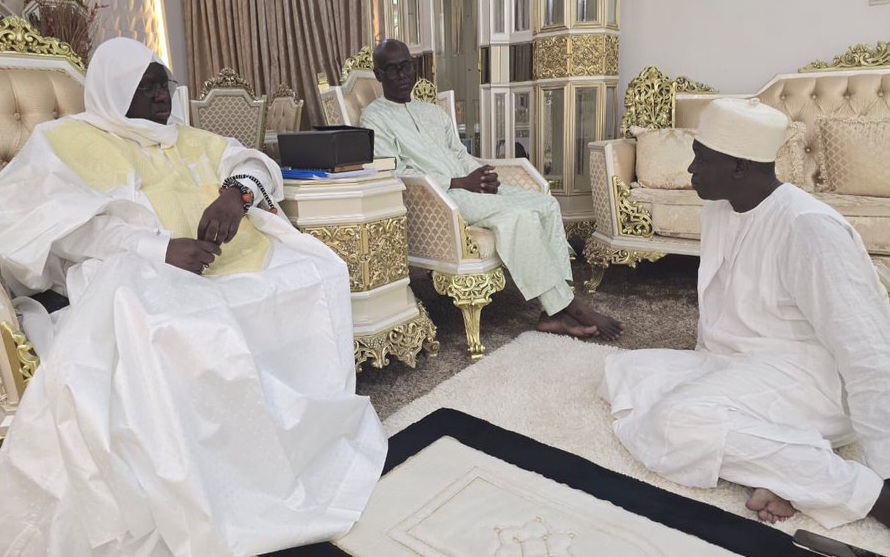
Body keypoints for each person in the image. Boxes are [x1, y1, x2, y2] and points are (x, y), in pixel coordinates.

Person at [0, 38, 387, 556]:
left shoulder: (187, 136)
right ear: (114, 91)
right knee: (186, 327)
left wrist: (236, 196)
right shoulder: (64, 140)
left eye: (164, 84)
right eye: (147, 87)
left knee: (319, 270)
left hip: (230, 259)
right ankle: (231, 470)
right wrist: (158, 249)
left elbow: (256, 163)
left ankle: (303, 436)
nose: (162, 96)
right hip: (136, 268)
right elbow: (56, 226)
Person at [600, 98, 890, 530]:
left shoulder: (810, 227)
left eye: (701, 159)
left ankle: (865, 494)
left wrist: (885, 471)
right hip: (739, 362)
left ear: (739, 167)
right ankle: (782, 471)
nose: (691, 169)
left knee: (675, 422)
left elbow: (870, 353)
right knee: (622, 372)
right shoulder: (720, 206)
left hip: (812, 382)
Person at [359, 39, 623, 341]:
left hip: (468, 186)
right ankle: (570, 308)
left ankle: (553, 310)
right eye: (392, 70)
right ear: (379, 75)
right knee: (517, 217)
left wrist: (480, 174)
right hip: (441, 197)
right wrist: (459, 182)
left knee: (546, 204)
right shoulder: (374, 118)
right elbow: (394, 172)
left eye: (406, 66)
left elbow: (459, 153)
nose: (402, 75)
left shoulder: (432, 112)